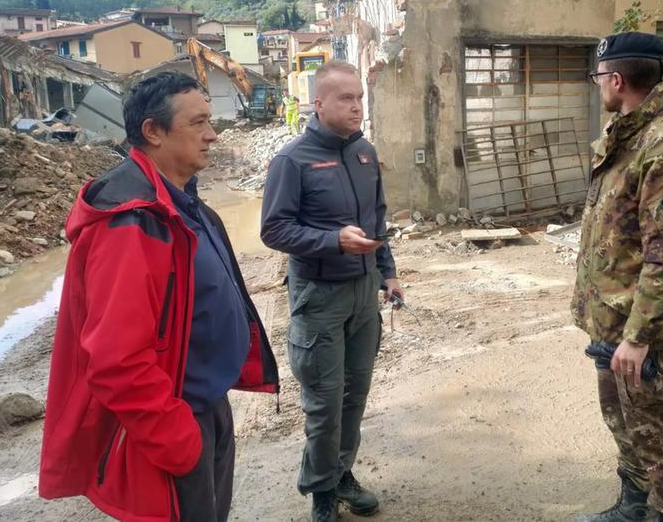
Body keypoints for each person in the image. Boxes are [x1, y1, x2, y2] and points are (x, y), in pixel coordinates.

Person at [38, 71, 279, 522]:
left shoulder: (183, 203)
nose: (212, 135)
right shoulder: (132, 223)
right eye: (198, 123)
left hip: (206, 405)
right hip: (177, 418)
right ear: (153, 131)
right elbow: (115, 361)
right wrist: (178, 438)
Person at [572, 32, 663, 522]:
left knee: (658, 435)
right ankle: (634, 508)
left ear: (615, 79)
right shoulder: (626, 136)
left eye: (598, 79)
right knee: (625, 425)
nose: (598, 88)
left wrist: (640, 336)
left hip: (642, 330)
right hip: (613, 321)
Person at [261, 60, 400, 522]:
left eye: (359, 97)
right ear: (318, 103)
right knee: (323, 402)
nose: (357, 106)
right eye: (345, 98)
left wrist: (388, 273)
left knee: (355, 394)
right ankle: (322, 492)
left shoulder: (364, 156)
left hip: (363, 292)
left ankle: (341, 473)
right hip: (318, 296)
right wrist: (331, 240)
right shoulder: (292, 160)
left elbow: (377, 221)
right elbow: (275, 230)